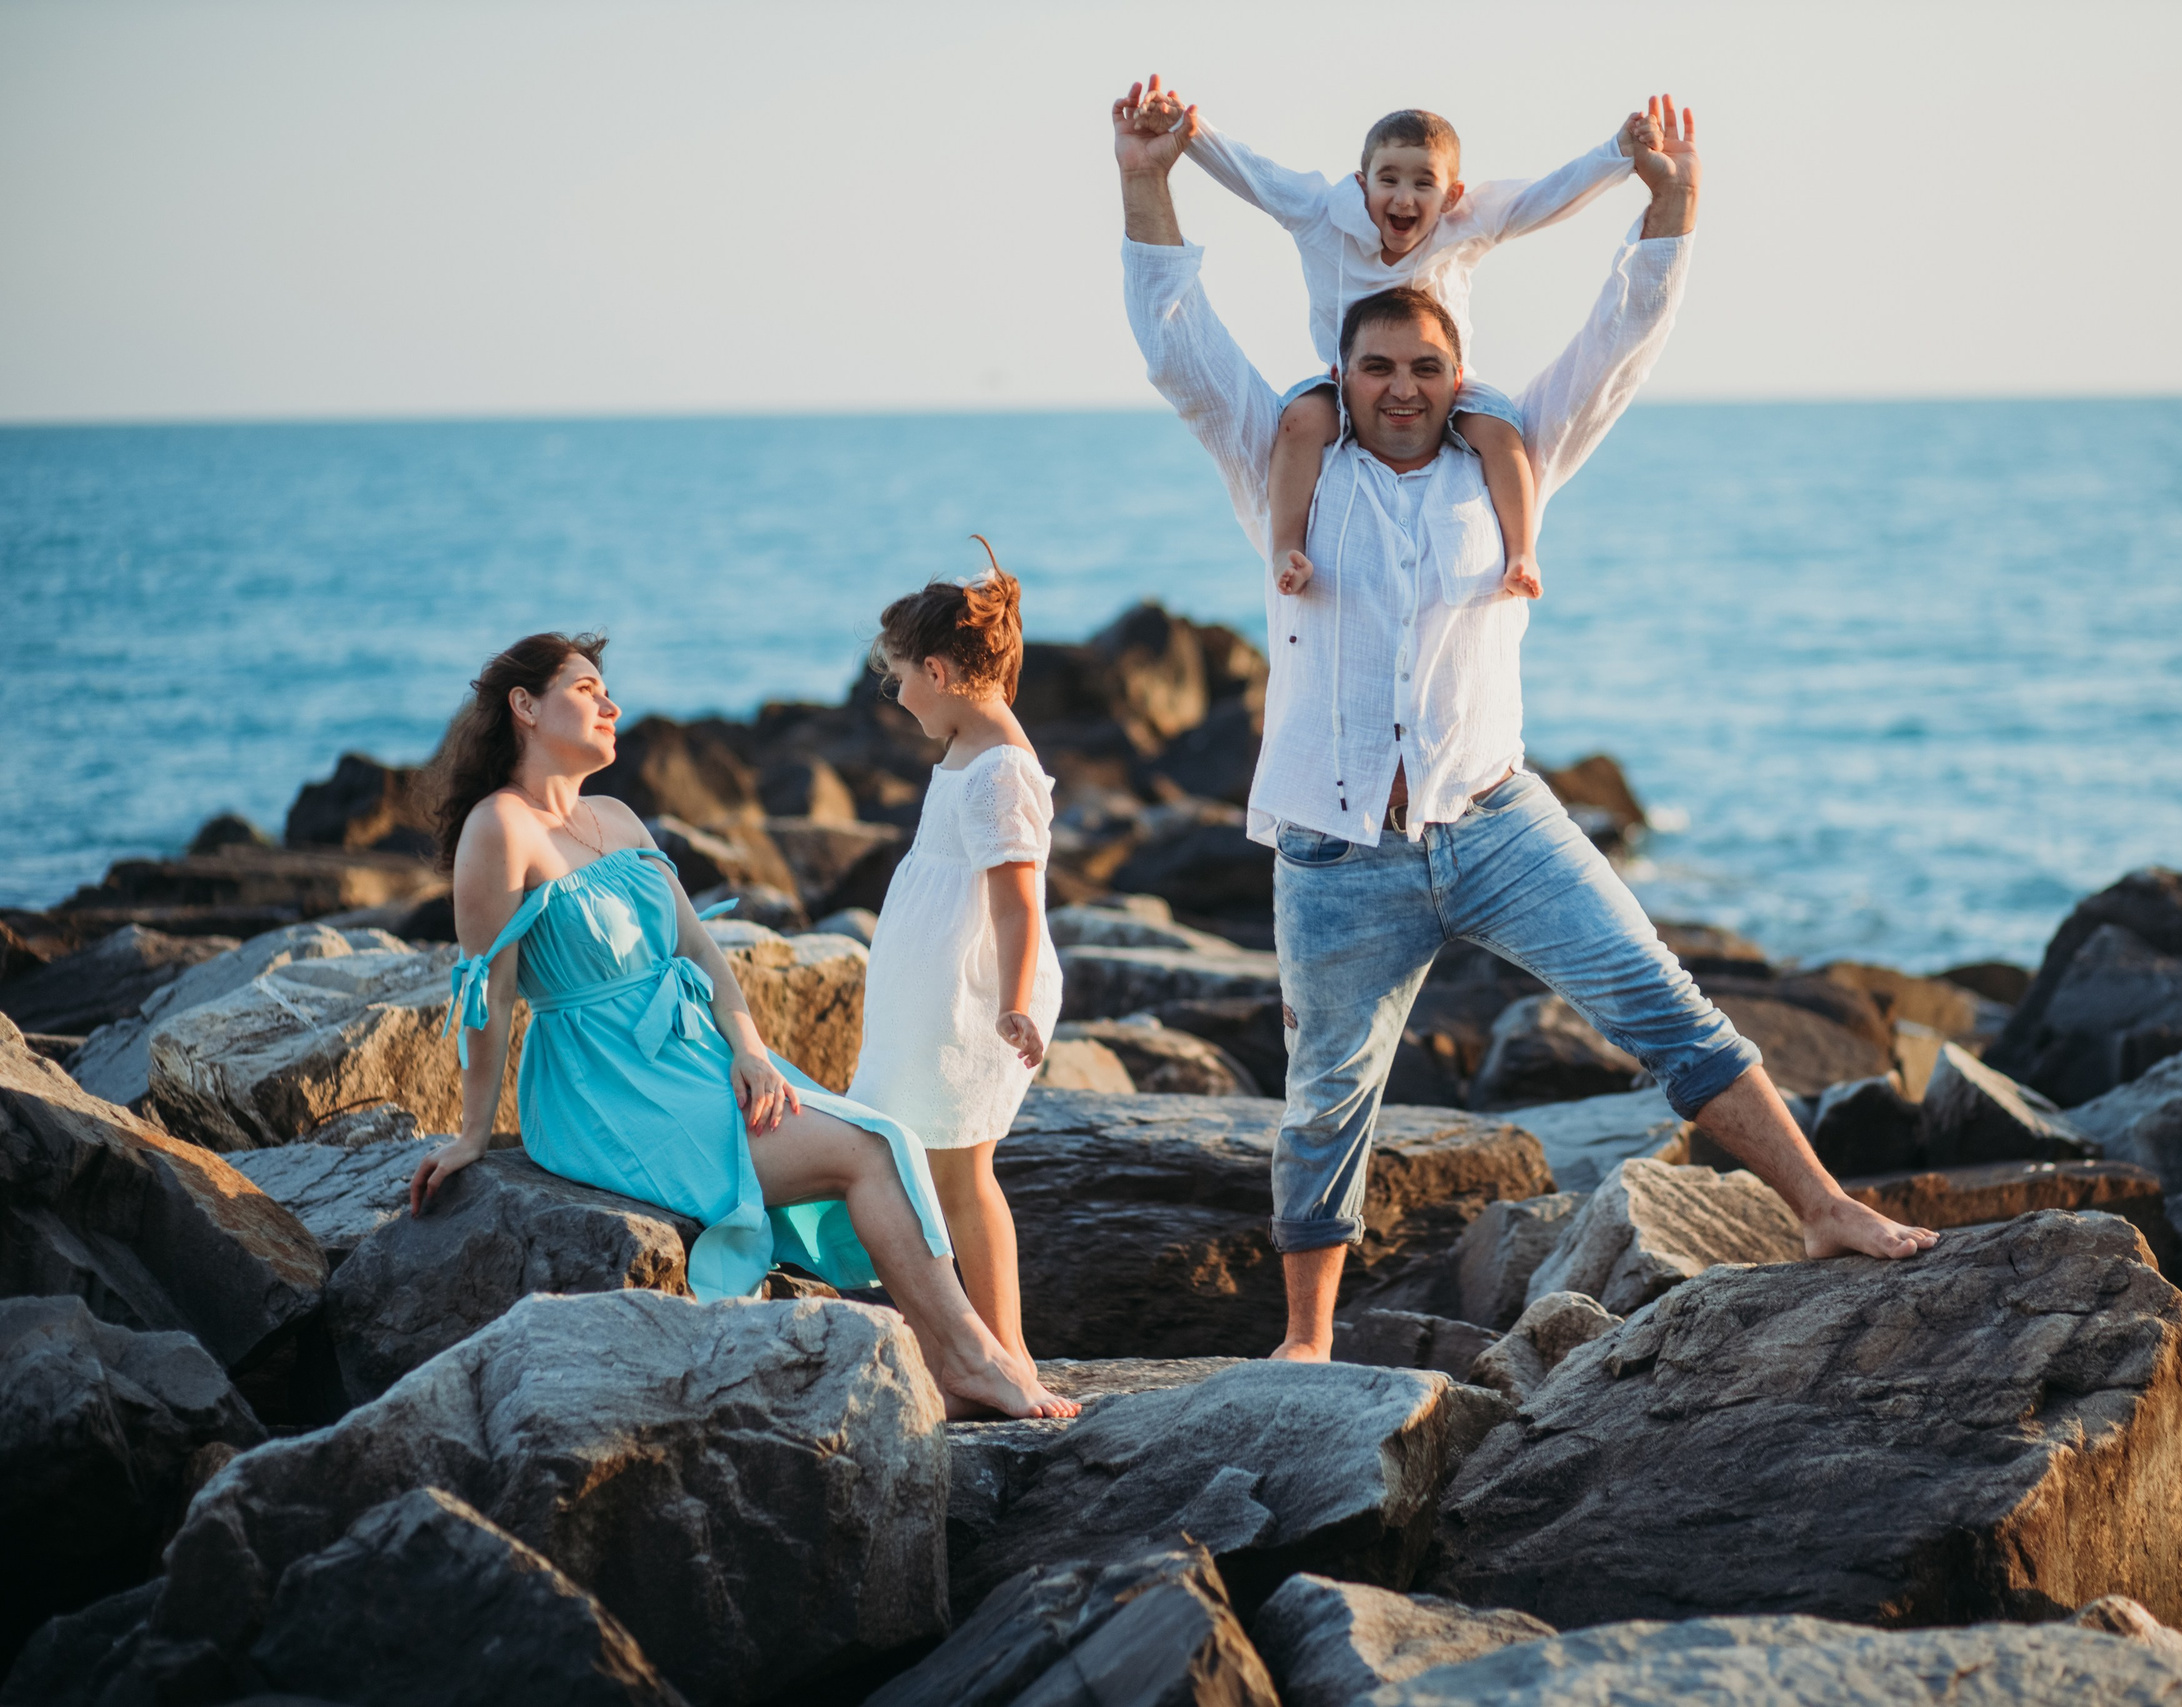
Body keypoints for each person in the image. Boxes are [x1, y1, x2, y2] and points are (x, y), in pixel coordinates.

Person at [1110, 81, 1940, 1363]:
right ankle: (1306, 1341)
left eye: (1424, 368)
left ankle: (1825, 1208)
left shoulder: (1513, 459)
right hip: (1336, 851)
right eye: (1376, 367)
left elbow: (1621, 338)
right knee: (1327, 1097)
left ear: (1459, 376)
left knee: (1667, 1008)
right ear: (1341, 373)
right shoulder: (1281, 462)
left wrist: (1670, 202)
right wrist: (1145, 177)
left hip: (1497, 822)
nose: (1400, 389)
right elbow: (1177, 342)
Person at [409, 630, 1075, 1420]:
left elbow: (698, 948)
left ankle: (954, 1363)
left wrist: (751, 1050)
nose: (611, 704)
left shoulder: (615, 816)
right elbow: (487, 994)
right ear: (524, 706)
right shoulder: (499, 828)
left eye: (606, 688)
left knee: (885, 1137)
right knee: (867, 1149)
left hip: (694, 1053)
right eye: (586, 689)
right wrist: (473, 1134)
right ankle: (969, 1358)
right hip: (603, 1084)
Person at [1151, 73, 1654, 604]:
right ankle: (1285, 550)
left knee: (1501, 433)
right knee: (1297, 423)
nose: (1403, 197)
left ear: (1451, 194)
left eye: (1423, 183)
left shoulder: (1467, 224)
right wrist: (1186, 129)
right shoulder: (1320, 213)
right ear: (1362, 181)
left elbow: (1545, 197)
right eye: (1388, 179)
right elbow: (1252, 172)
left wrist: (1618, 153)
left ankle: (1522, 553)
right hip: (1347, 383)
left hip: (1447, 385)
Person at [847, 547, 1062, 1378]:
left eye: (900, 678)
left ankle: (1008, 1354)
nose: (899, 696)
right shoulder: (972, 749)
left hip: (972, 998)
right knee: (927, 1165)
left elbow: (1018, 902)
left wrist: (1016, 1002)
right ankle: (961, 1347)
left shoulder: (1000, 769)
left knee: (965, 1170)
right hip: (929, 992)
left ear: (936, 672)